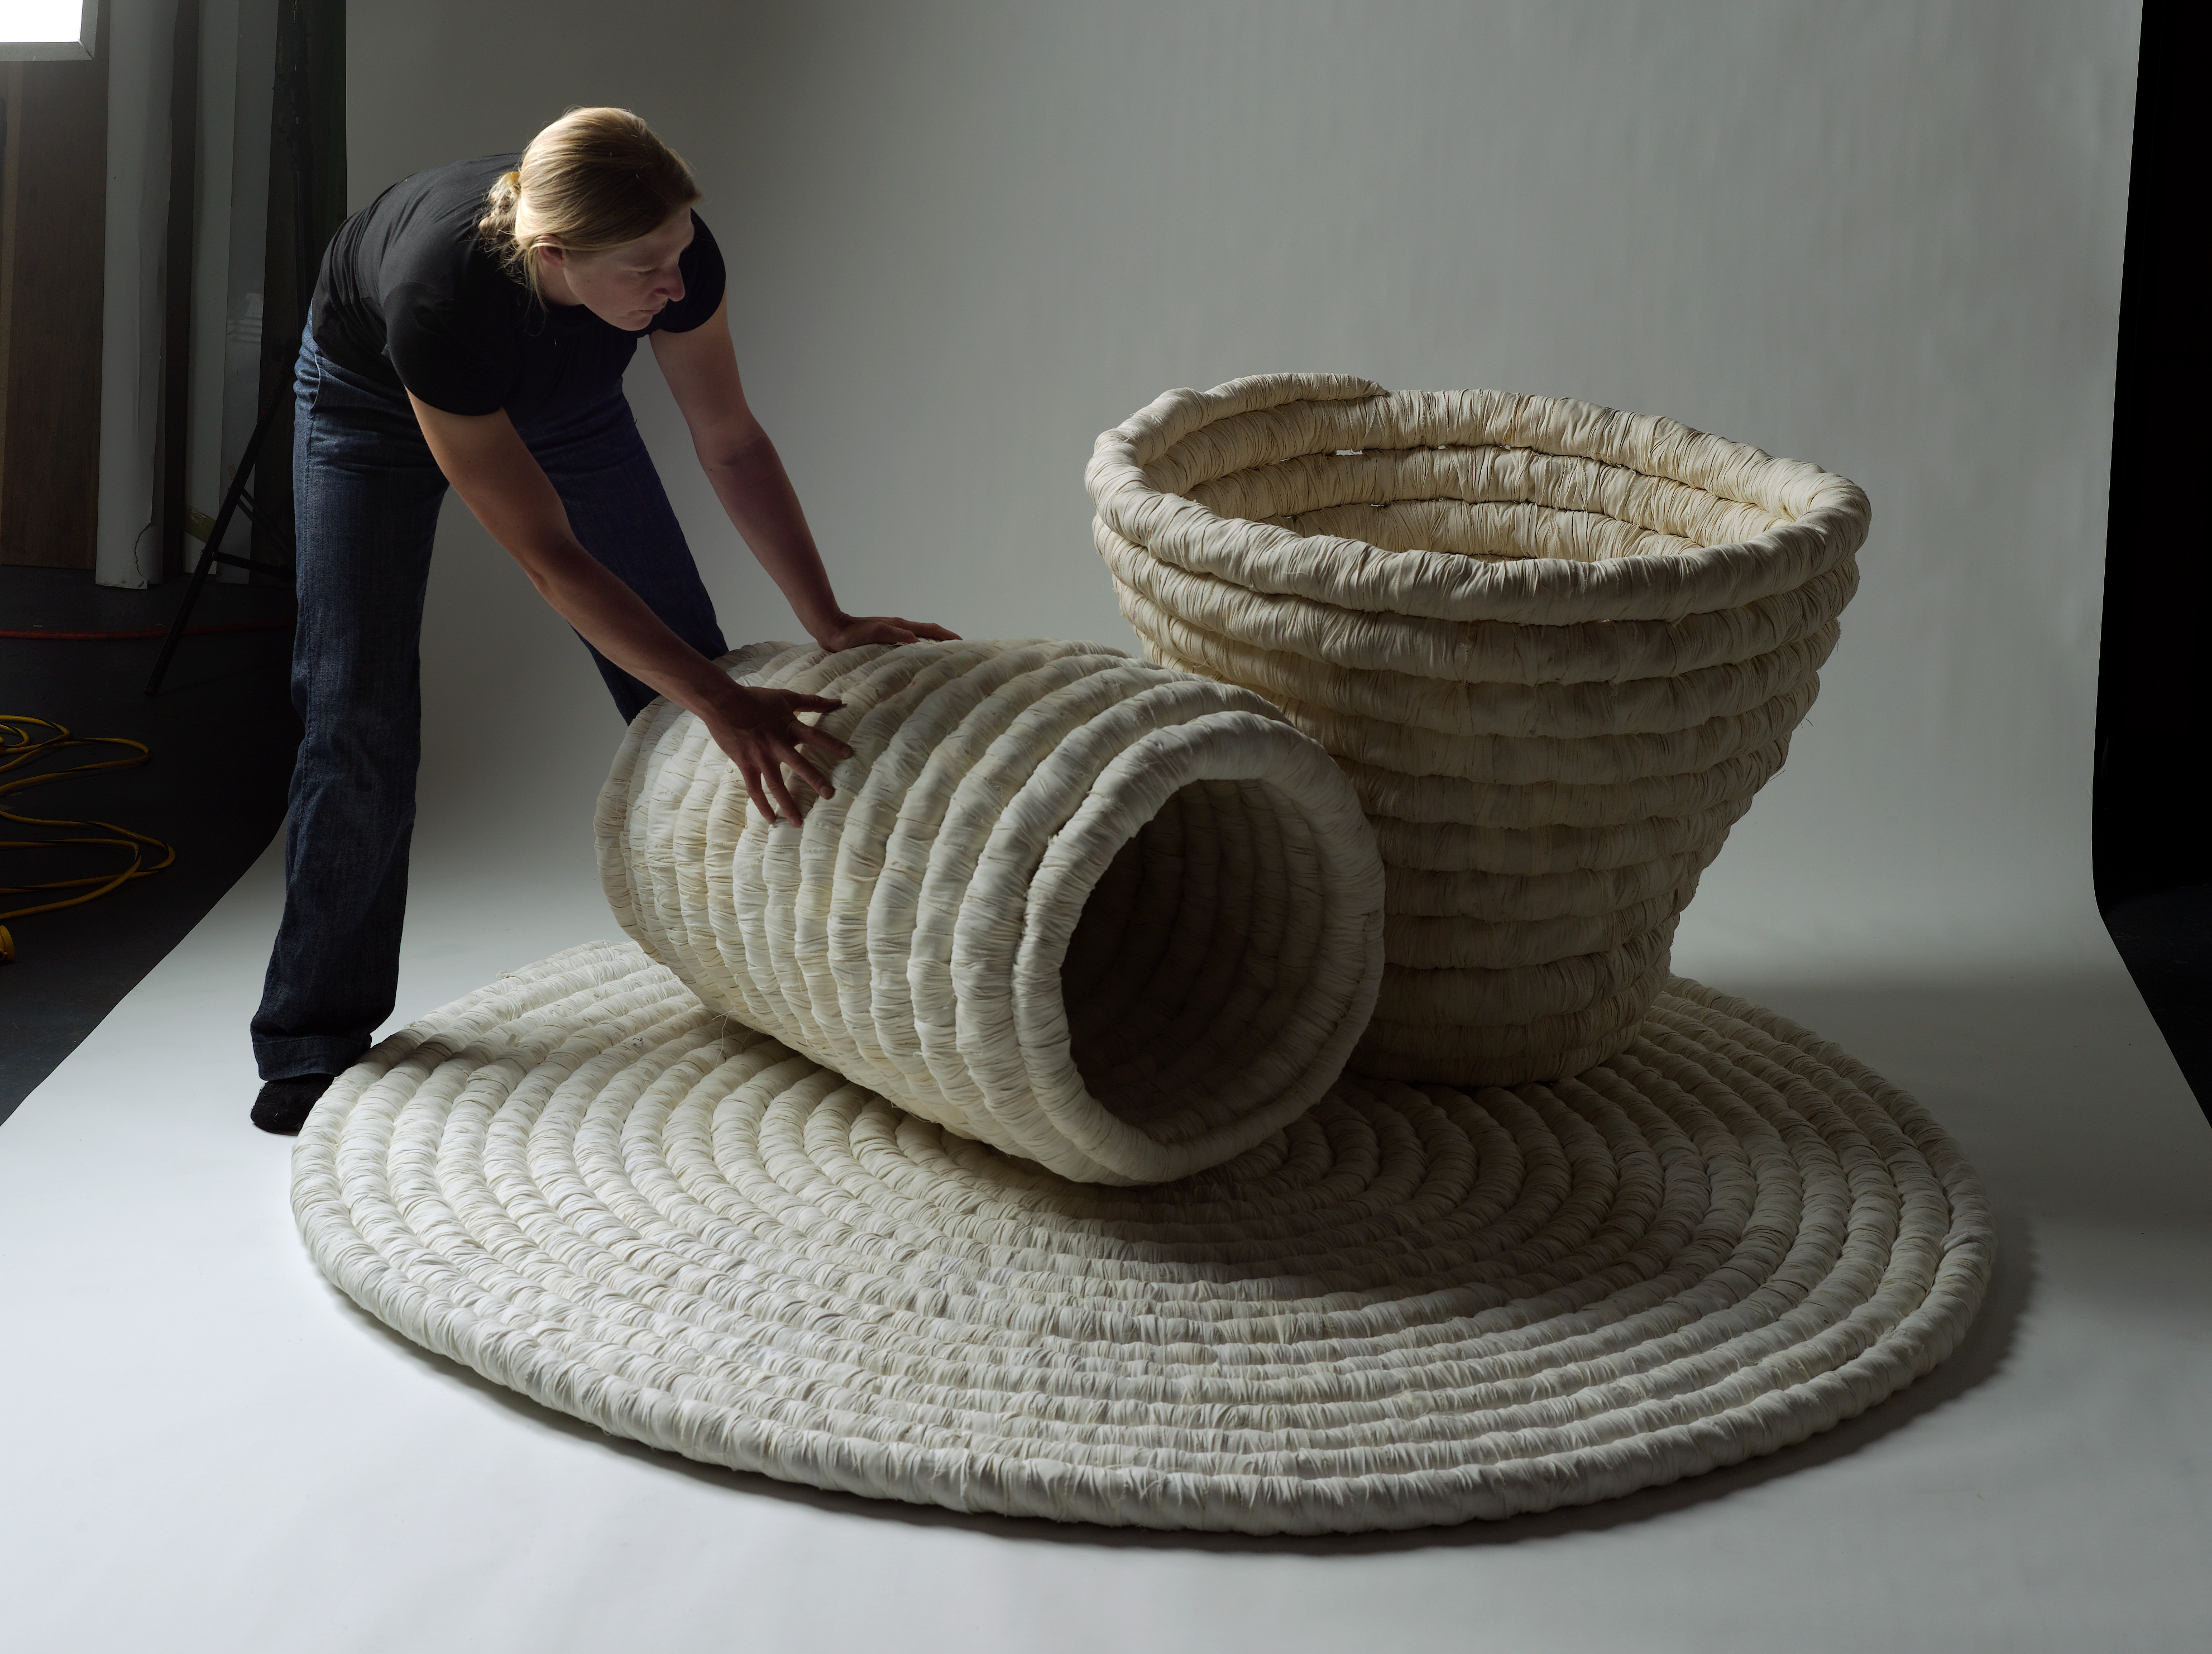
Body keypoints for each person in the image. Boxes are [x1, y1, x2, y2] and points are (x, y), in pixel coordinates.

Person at [247, 107, 955, 1135]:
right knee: (355, 714)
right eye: (646, 268)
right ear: (553, 256)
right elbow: (550, 558)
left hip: (568, 403)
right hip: (371, 404)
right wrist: (723, 701)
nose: (677, 284)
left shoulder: (672, 255)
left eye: (680, 251)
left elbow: (731, 442)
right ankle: (312, 1038)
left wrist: (827, 616)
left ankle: (768, 977)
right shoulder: (437, 300)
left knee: (688, 673)